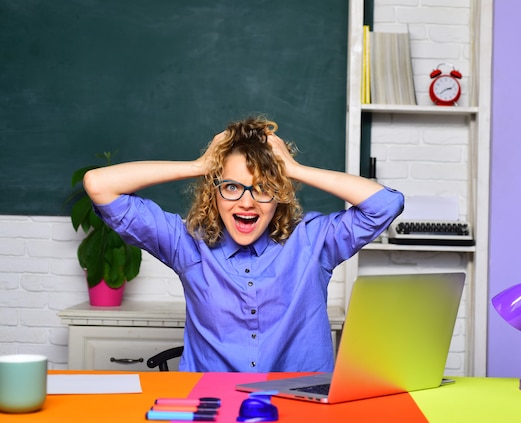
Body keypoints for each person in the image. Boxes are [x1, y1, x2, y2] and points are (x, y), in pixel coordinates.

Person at [83, 116, 404, 372]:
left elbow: (385, 205)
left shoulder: (313, 241)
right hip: (211, 405)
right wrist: (200, 166)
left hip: (300, 405)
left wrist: (293, 169)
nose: (246, 202)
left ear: (279, 195)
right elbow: (99, 185)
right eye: (232, 187)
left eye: (263, 188)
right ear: (214, 192)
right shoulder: (186, 244)